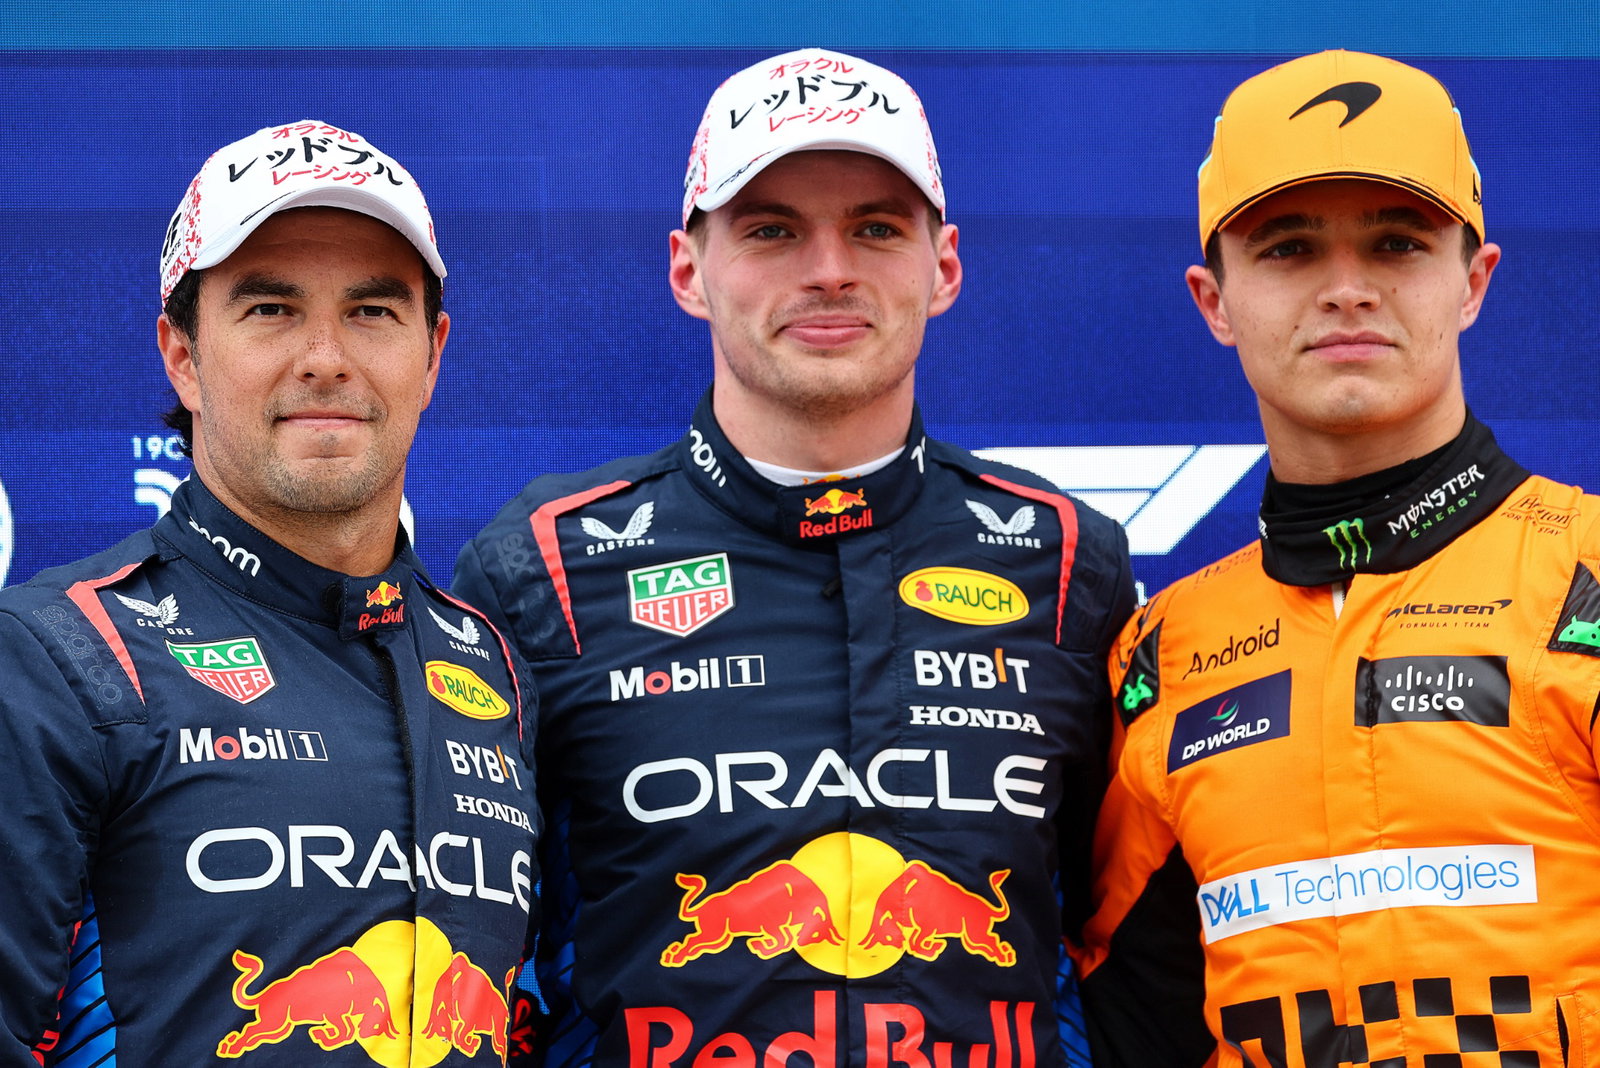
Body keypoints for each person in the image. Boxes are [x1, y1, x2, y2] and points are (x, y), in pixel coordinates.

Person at [455, 48, 1135, 1068]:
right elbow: (479, 962)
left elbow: (1126, 946)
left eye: (874, 228)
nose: (828, 269)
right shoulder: (540, 566)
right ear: (689, 269)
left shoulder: (1068, 559)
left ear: (942, 266)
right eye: (772, 230)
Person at [1075, 50, 1600, 1067]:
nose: (1346, 290)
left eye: (1398, 242)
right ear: (1212, 300)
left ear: (1472, 284)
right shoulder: (1162, 651)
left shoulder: (1587, 568)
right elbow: (1136, 1012)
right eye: (1288, 249)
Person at [0, 121, 538, 1066]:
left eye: (373, 311)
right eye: (271, 310)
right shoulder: (54, 659)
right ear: (181, 354)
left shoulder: (491, 665)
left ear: (433, 354)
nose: (326, 356)